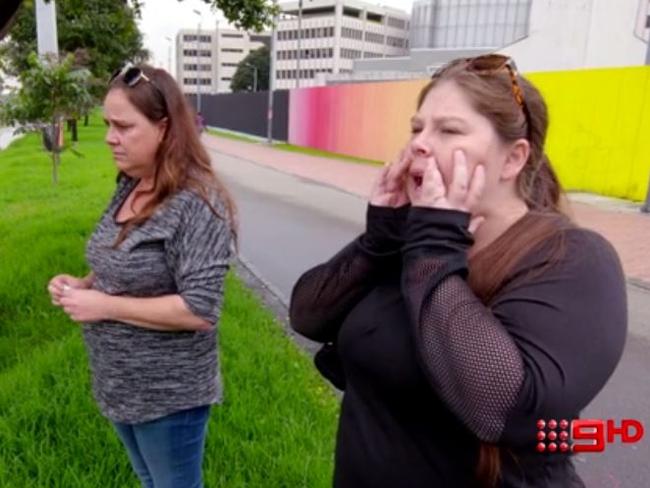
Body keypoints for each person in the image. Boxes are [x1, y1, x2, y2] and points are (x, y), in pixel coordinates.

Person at [289, 54, 627, 488]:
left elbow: (503, 412)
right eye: (417, 128)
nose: (419, 144)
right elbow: (308, 316)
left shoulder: (573, 260)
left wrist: (434, 247)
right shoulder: (413, 240)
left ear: (512, 159)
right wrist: (379, 241)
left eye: (448, 130)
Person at [47, 64, 236, 488]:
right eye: (108, 125)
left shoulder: (198, 203)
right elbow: (123, 258)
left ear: (164, 128)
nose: (110, 137)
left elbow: (200, 309)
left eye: (123, 126)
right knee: (148, 480)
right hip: (120, 384)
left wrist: (103, 306)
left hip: (169, 395)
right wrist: (85, 283)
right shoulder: (131, 182)